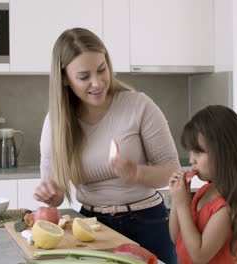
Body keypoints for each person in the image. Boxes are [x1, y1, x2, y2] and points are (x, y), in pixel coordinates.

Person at [33, 27, 180, 264]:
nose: (97, 82)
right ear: (64, 79)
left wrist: (137, 173)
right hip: (91, 229)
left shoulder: (138, 105)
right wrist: (52, 195)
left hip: (147, 224)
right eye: (84, 76)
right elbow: (55, 193)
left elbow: (173, 172)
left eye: (102, 69)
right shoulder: (56, 123)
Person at [168, 105, 237, 264]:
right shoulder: (204, 191)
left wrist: (184, 205)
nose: (191, 160)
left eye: (197, 152)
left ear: (223, 154)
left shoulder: (227, 207)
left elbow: (199, 256)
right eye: (190, 152)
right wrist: (177, 200)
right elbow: (175, 236)